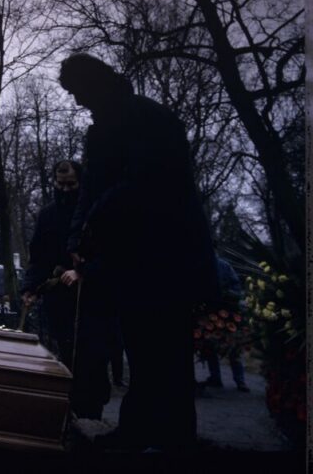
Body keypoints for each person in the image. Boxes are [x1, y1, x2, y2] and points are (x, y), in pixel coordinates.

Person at [59, 53, 218, 452]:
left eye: (78, 90)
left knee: (167, 349)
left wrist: (94, 222)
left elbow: (145, 183)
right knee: (142, 348)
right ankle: (140, 430)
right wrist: (77, 240)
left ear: (96, 82)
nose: (78, 100)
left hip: (164, 253)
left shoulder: (149, 118)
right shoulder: (102, 129)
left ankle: (173, 438)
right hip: (128, 257)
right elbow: (91, 191)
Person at [21, 160, 113, 420]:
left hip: (91, 301)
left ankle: (90, 414)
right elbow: (38, 256)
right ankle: (65, 412)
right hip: (58, 299)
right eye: (60, 184)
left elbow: (108, 254)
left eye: (70, 185)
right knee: (63, 355)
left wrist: (83, 272)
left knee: (91, 358)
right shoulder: (48, 215)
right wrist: (31, 287)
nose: (64, 190)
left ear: (80, 184)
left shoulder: (94, 213)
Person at [202, 253, 249, 392]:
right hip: (210, 310)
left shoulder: (224, 265)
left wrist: (228, 295)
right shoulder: (204, 265)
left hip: (228, 310)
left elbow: (236, 286)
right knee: (210, 345)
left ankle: (240, 380)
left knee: (233, 346)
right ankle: (216, 377)